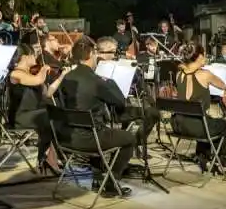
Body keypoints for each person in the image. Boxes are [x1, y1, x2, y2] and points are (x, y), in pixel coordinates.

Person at [59, 39, 134, 198]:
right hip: (90, 139)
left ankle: (98, 176)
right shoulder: (96, 80)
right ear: (91, 55)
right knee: (129, 138)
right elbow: (119, 102)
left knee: (100, 128)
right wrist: (111, 83)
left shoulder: (67, 77)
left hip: (66, 137)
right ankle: (111, 182)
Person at [8, 44, 70, 173]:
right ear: (24, 57)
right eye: (33, 54)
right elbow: (37, 80)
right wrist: (44, 69)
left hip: (34, 114)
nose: (35, 57)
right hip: (20, 116)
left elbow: (48, 93)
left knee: (54, 113)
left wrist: (62, 76)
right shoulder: (15, 74)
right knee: (51, 116)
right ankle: (47, 157)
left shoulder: (30, 73)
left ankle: (48, 157)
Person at [169, 42, 226, 170]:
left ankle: (202, 155)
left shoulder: (179, 74)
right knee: (221, 124)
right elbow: (223, 85)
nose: (206, 57)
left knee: (206, 120)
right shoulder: (205, 74)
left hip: (177, 125)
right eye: (204, 54)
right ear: (199, 57)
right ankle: (221, 158)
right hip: (196, 127)